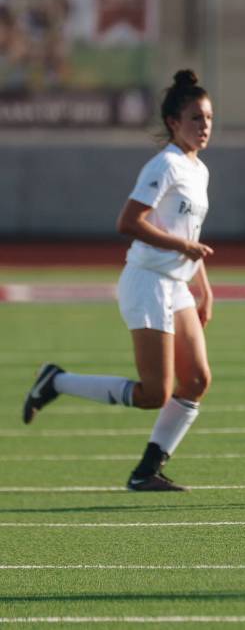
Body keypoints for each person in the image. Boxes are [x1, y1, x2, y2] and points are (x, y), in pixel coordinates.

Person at [23, 69, 215, 492]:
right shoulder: (164, 164)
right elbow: (128, 221)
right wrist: (184, 252)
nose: (204, 127)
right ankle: (55, 381)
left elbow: (190, 234)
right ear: (172, 122)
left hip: (176, 284)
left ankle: (147, 471)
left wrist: (203, 284)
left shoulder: (197, 169)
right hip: (147, 281)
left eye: (208, 119)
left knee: (198, 380)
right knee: (153, 394)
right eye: (196, 118)